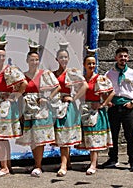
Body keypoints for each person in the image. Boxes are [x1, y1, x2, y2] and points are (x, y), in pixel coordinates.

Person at [0, 39, 28, 177]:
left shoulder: (10, 70)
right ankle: (6, 165)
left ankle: (4, 166)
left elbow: (24, 83)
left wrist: (14, 95)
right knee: (0, 138)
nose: (1, 58)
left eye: (3, 56)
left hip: (5, 107)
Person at [15, 44, 60, 177]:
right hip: (27, 109)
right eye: (31, 60)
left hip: (40, 110)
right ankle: (36, 163)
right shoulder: (23, 76)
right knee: (32, 138)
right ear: (27, 61)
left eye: (36, 60)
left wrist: (47, 98)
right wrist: (20, 112)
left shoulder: (44, 74)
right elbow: (19, 95)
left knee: (39, 139)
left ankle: (39, 166)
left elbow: (57, 87)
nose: (34, 62)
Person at [102, 47, 133, 172]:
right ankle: (113, 159)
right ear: (116, 58)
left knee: (130, 135)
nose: (123, 58)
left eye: (125, 56)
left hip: (128, 107)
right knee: (113, 135)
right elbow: (102, 89)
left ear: (128, 58)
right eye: (120, 56)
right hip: (114, 107)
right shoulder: (109, 74)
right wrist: (107, 101)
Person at [52, 42, 88, 177]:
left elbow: (84, 86)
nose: (63, 60)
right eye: (61, 57)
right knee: (60, 135)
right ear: (57, 59)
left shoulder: (71, 72)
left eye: (65, 57)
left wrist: (73, 98)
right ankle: (67, 162)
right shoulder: (53, 73)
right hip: (56, 106)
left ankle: (63, 165)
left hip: (67, 106)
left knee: (64, 135)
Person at [76, 51, 115, 175]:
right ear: (84, 64)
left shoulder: (99, 78)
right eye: (89, 63)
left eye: (93, 63)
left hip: (95, 110)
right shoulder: (81, 79)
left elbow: (112, 92)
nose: (91, 66)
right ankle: (92, 162)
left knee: (94, 137)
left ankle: (93, 164)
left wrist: (102, 104)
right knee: (87, 136)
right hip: (84, 109)